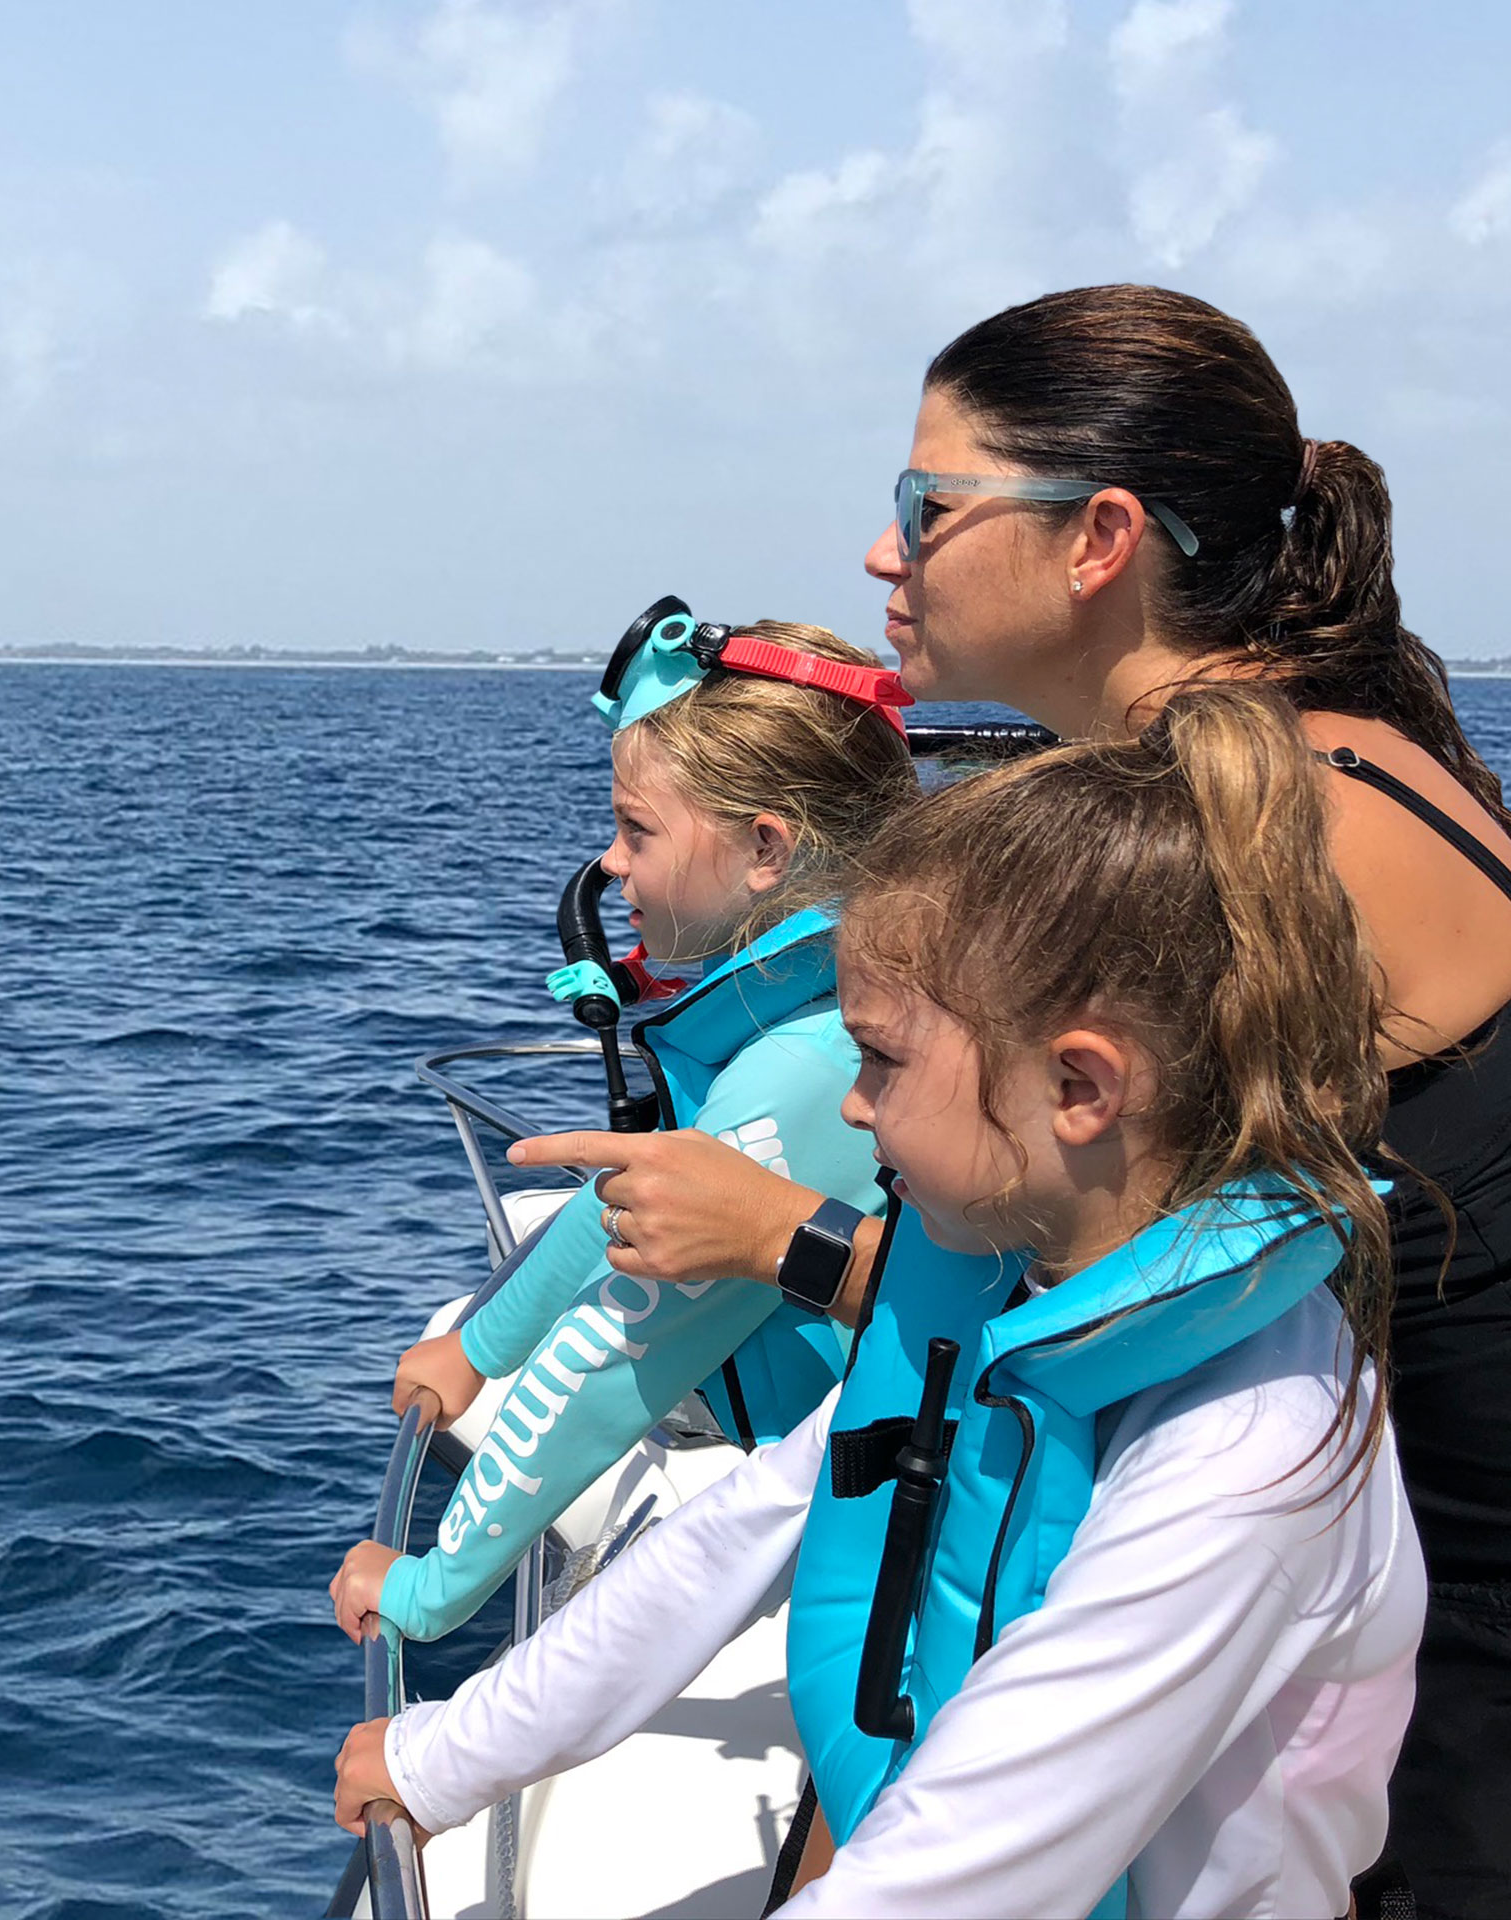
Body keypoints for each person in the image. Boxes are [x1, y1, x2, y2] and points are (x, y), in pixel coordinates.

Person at [509, 284, 1511, 1918]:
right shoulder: (1351, 754)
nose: (883, 555)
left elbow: (1022, 1357)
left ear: (1098, 538)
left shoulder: (1212, 860)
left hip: (1431, 1748)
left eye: (929, 507)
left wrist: (782, 1240)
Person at [337, 684, 1426, 1918]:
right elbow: (747, 1525)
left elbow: (956, 1873)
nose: (853, 1110)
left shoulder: (1244, 1457)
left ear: (1080, 1088)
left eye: (884, 1060)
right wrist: (443, 1753)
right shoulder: (994, 1277)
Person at [327, 616, 916, 1646]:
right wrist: (477, 1346)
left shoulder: (805, 1069)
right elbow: (630, 1214)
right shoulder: (814, 1012)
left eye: (636, 831)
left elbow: (615, 1351)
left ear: (766, 850)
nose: (611, 863)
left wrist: (430, 1588)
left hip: (857, 1534)